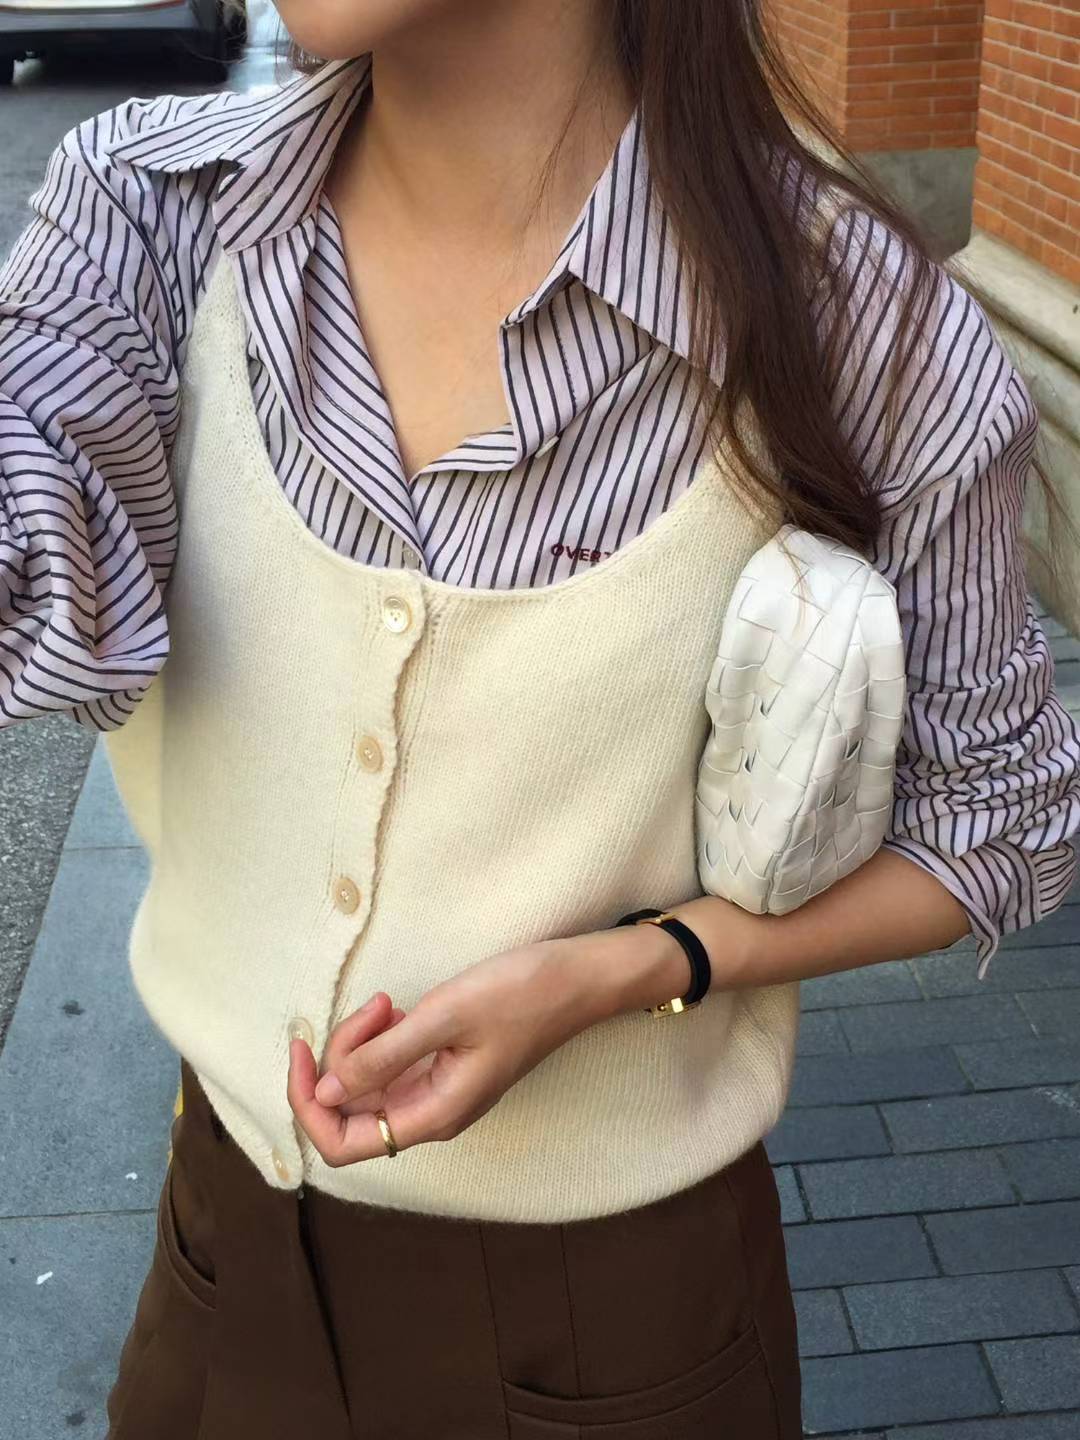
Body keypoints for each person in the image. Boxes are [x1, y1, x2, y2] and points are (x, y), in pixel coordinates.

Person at [2, 2, 1079, 1436]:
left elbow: (995, 832)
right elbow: (41, 555)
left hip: (617, 1328)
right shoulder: (154, 210)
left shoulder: (852, 320)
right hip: (216, 1261)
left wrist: (629, 971)